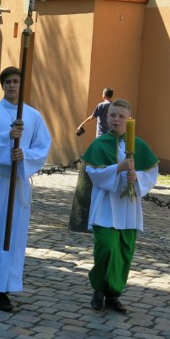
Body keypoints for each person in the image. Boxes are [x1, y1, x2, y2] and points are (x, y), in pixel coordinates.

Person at [0, 67, 51, 312]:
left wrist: (23, 155)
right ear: (2, 85)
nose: (12, 86)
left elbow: (42, 147)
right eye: (8, 82)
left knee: (12, 236)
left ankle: (1, 289)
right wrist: (7, 136)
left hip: (17, 183)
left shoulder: (33, 116)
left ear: (21, 84)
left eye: (16, 81)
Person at [83, 99, 158, 314]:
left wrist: (137, 177)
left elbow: (152, 174)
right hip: (106, 205)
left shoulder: (139, 145)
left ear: (129, 119)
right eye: (112, 115)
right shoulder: (99, 144)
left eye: (121, 116)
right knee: (106, 247)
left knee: (125, 251)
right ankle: (98, 289)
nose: (116, 119)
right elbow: (94, 173)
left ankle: (113, 294)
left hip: (128, 207)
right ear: (106, 118)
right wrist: (119, 168)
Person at [70, 88, 115, 232]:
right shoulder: (114, 106)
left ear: (103, 95)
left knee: (95, 161)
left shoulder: (101, 105)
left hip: (101, 138)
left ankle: (96, 175)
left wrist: (81, 125)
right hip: (111, 139)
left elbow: (92, 117)